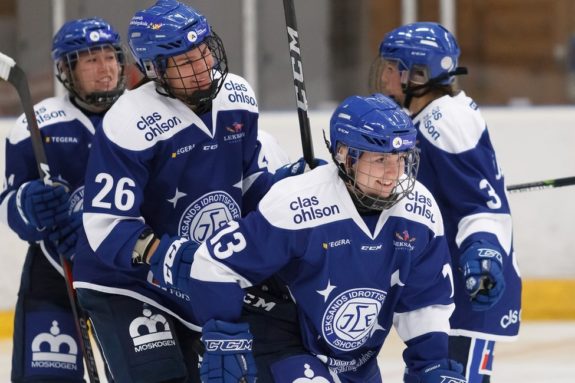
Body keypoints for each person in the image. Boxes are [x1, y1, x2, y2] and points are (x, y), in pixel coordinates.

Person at [146, 94, 467, 382]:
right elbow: (213, 263)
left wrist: (431, 364)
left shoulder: (419, 210)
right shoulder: (297, 202)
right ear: (346, 156)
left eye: (401, 159)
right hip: (284, 331)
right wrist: (223, 340)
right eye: (380, 159)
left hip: (355, 357)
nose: (393, 174)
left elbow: (425, 300)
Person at [72, 1, 312, 382]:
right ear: (154, 70)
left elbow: (249, 185)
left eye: (203, 52)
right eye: (184, 62)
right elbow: (106, 223)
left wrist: (292, 193)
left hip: (200, 274)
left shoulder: (237, 96)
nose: (201, 66)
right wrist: (159, 253)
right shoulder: (130, 119)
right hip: (127, 282)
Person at [371, 22, 521, 382]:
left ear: (419, 75)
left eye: (393, 67)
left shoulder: (444, 119)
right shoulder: (423, 118)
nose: (385, 75)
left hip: (470, 286)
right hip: (441, 288)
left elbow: (482, 206)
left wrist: (483, 254)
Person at [0, 17, 125, 382]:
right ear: (67, 69)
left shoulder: (142, 120)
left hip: (128, 278)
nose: (105, 70)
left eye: (110, 57)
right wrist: (29, 205)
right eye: (90, 60)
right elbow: (9, 204)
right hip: (54, 273)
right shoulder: (38, 124)